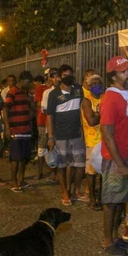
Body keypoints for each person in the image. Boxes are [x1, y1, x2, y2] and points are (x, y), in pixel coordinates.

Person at [100, 56, 128, 256]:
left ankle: (115, 238)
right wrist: (120, 163)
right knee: (111, 203)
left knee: (122, 199)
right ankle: (107, 240)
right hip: (116, 159)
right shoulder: (110, 99)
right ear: (113, 76)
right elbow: (107, 133)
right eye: (123, 71)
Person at [46, 64, 87, 206]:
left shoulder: (78, 89)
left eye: (70, 74)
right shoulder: (54, 94)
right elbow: (49, 117)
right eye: (64, 75)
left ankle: (77, 191)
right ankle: (64, 192)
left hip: (77, 134)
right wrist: (50, 137)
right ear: (59, 77)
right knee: (61, 165)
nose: (68, 77)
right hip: (61, 135)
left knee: (80, 164)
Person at [4, 70, 33, 192]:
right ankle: (13, 181)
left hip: (25, 129)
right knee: (15, 158)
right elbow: (5, 110)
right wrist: (7, 128)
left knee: (23, 157)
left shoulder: (25, 92)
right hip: (15, 129)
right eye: (27, 82)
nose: (29, 84)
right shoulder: (12, 92)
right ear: (21, 81)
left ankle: (21, 180)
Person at [81, 70, 104, 211]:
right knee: (91, 172)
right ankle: (92, 199)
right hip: (91, 140)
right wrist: (103, 113)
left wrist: (98, 114)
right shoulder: (86, 100)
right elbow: (91, 121)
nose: (96, 86)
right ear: (89, 86)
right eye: (93, 84)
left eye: (99, 83)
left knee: (103, 171)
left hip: (105, 139)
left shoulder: (105, 97)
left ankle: (101, 197)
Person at [33, 75, 49, 179]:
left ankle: (52, 172)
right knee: (42, 146)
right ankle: (40, 172)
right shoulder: (41, 88)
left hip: (54, 121)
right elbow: (38, 104)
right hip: (43, 120)